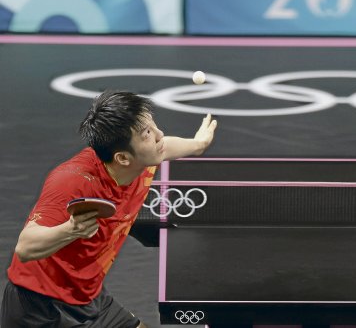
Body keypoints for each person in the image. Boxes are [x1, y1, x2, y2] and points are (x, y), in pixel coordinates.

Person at [1, 90, 217, 327]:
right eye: (147, 134)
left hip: (88, 296)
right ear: (123, 158)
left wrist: (198, 144)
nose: (159, 135)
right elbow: (25, 247)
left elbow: (167, 145)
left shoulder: (141, 160)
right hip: (39, 307)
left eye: (154, 126)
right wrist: (70, 230)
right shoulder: (72, 182)